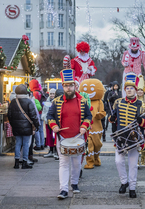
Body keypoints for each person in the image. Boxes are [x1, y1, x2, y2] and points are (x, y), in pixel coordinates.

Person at [47, 69, 92, 199]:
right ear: (63, 86)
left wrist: (84, 126)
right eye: (66, 85)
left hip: (78, 138)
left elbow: (89, 116)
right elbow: (50, 116)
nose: (68, 88)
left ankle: (74, 183)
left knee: (77, 163)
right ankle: (63, 189)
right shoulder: (56, 101)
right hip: (62, 138)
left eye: (71, 85)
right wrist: (54, 126)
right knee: (63, 163)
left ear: (75, 86)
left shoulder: (82, 101)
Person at [109, 74, 145, 198]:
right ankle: (124, 182)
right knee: (118, 161)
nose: (129, 90)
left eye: (132, 88)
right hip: (121, 137)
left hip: (134, 138)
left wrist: (140, 120)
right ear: (125, 90)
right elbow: (113, 119)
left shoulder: (141, 105)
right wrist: (112, 118)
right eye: (127, 88)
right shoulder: (118, 102)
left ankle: (132, 188)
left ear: (136, 90)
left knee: (133, 164)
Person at [8, 84, 40, 169]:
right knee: (26, 144)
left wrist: (13, 124)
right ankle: (25, 162)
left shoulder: (13, 102)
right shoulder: (29, 102)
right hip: (27, 127)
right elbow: (33, 116)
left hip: (16, 127)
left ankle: (16, 163)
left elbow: (9, 115)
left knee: (18, 143)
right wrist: (37, 125)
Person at [136, 75, 145, 168]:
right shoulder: (134, 101)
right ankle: (136, 161)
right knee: (135, 143)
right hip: (134, 125)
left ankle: (143, 160)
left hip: (143, 125)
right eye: (138, 90)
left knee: (143, 142)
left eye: (141, 90)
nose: (140, 92)